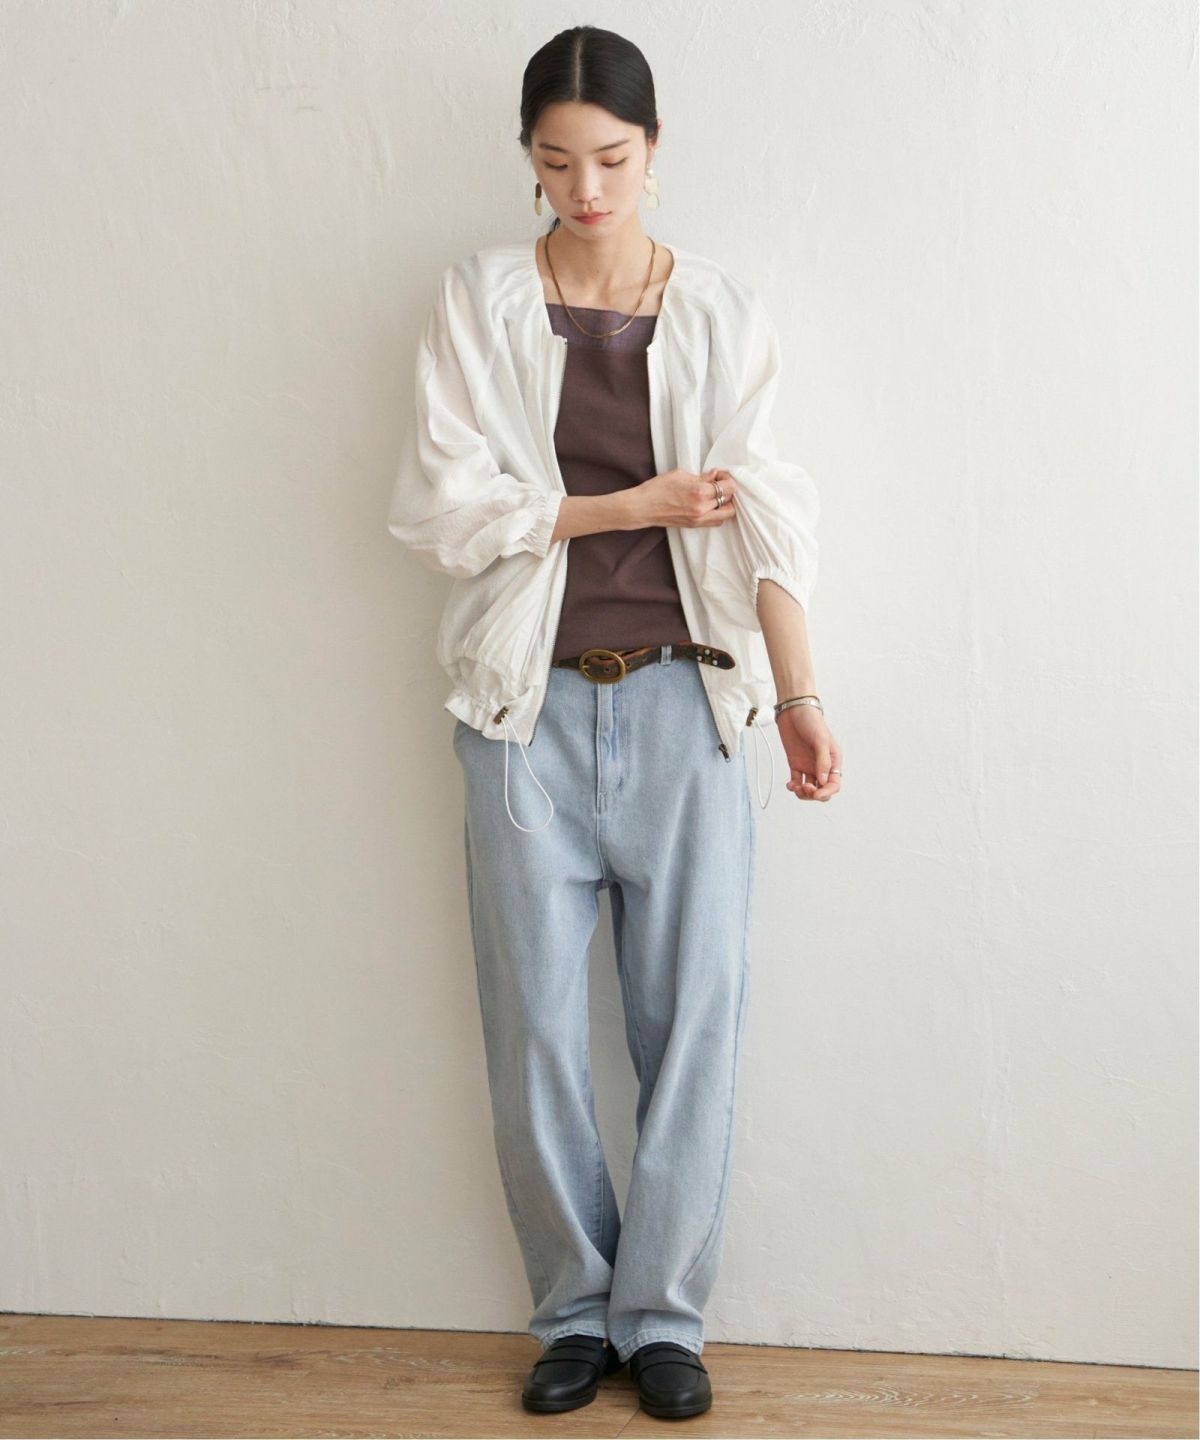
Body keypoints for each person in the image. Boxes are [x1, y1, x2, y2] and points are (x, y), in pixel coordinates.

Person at [388, 24, 843, 1422]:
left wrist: (800, 696)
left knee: (692, 1023)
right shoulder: (478, 300)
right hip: (522, 710)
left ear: (654, 152)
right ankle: (573, 1313)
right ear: (527, 160)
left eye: (611, 159)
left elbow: (767, 518)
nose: (584, 188)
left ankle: (662, 1319)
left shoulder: (720, 311)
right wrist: (625, 507)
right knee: (532, 1026)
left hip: (688, 703)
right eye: (555, 161)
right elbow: (442, 508)